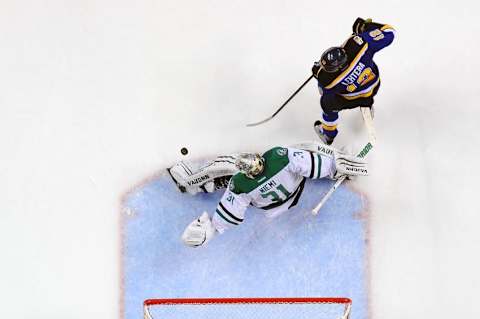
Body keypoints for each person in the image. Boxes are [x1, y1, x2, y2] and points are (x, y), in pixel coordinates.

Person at [180, 143, 368, 247]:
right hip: (297, 191)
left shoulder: (240, 183)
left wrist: (211, 230)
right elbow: (311, 165)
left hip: (273, 209)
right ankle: (340, 164)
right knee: (304, 148)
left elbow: (231, 213)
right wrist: (336, 166)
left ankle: (198, 183)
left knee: (232, 172)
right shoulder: (278, 156)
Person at [312, 18, 395, 145]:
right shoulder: (360, 46)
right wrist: (365, 27)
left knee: (326, 102)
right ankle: (367, 105)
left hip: (351, 99)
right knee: (364, 91)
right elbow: (390, 31)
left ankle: (329, 134)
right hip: (373, 86)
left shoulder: (328, 79)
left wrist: (318, 73)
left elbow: (323, 88)